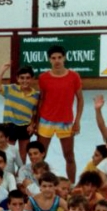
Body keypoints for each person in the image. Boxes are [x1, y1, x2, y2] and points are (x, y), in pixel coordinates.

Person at [32, 45, 83, 183]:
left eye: (59, 57)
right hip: (45, 121)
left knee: (69, 156)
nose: (57, 61)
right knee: (40, 157)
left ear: (64, 58)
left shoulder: (74, 76)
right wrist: (35, 122)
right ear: (49, 60)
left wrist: (77, 121)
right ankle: (39, 184)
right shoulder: (43, 78)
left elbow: (80, 99)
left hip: (66, 122)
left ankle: (71, 186)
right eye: (53, 58)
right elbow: (41, 100)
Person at [0, 62, 39, 162]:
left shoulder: (35, 95)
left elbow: (35, 113)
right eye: (22, 78)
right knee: (8, 153)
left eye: (27, 78)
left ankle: (21, 173)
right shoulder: (11, 89)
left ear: (32, 79)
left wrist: (32, 125)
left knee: (23, 154)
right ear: (17, 79)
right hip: (10, 126)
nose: (25, 80)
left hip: (25, 127)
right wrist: (2, 71)